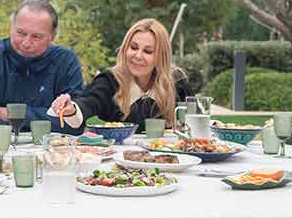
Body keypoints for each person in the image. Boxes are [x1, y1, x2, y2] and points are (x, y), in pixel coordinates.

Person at [0, 0, 84, 135]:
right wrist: (45, 117)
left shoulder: (66, 61)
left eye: (36, 36)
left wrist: (13, 115)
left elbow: (74, 124)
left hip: (51, 154)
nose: (26, 42)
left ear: (52, 37)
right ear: (11, 27)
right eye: (21, 33)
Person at [48, 18, 191, 132]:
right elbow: (88, 102)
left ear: (161, 56)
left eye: (148, 51)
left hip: (170, 161)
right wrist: (71, 109)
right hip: (118, 163)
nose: (137, 55)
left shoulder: (177, 82)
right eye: (133, 47)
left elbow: (196, 123)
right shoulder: (109, 80)